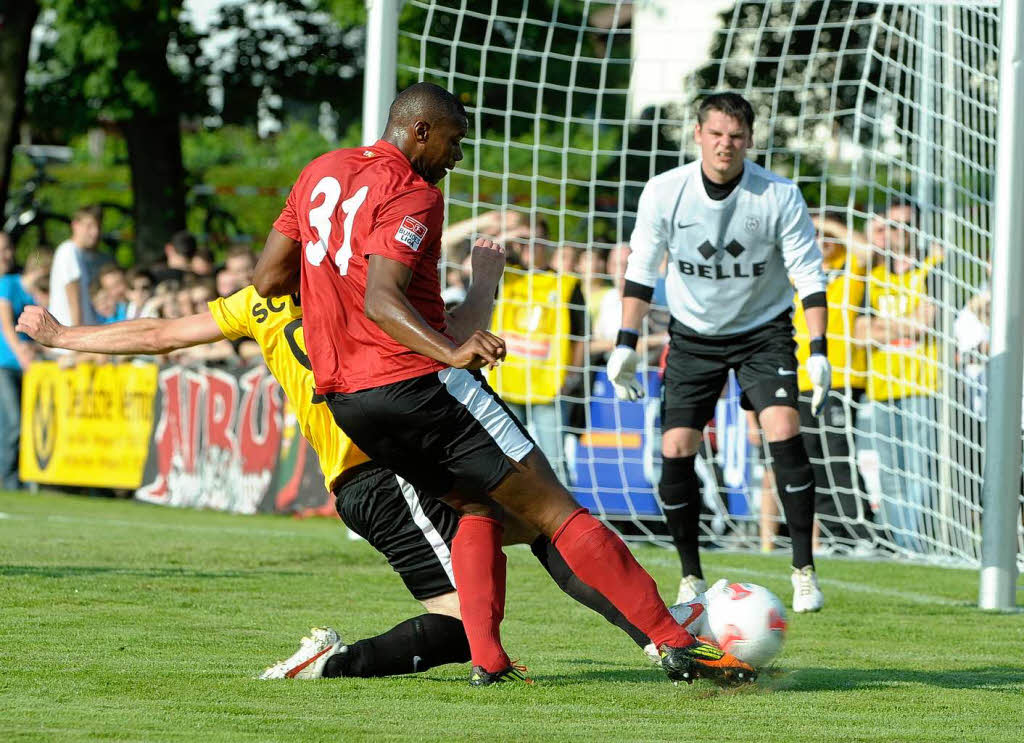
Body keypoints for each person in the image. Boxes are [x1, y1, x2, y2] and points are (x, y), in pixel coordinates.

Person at [253, 81, 753, 686]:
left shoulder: (320, 171)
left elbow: (267, 279)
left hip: (348, 403)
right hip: (417, 383)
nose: (457, 157)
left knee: (472, 507)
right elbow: (385, 301)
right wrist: (451, 349)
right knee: (555, 511)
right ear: (419, 130)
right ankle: (679, 642)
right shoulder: (413, 192)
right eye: (454, 141)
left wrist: (338, 297)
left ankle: (488, 662)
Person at [17, 239, 656, 680]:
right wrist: (486, 279)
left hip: (382, 464)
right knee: (470, 616)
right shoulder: (358, 294)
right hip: (382, 467)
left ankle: (660, 638)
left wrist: (64, 336)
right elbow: (451, 338)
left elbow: (160, 336)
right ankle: (330, 663)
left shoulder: (260, 301)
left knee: (536, 527)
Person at [606, 92, 829, 613]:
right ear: (699, 136)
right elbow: (641, 269)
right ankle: (689, 574)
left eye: (735, 136)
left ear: (749, 140)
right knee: (678, 446)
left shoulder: (778, 195)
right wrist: (625, 344)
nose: (725, 145)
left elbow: (809, 274)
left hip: (762, 329)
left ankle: (803, 569)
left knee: (783, 428)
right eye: (716, 134)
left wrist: (818, 349)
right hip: (693, 334)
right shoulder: (665, 192)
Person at [853, 202, 942, 554]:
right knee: (890, 471)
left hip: (923, 383)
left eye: (906, 224)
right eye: (892, 225)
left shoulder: (934, 267)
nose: (899, 231)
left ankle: (920, 544)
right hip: (882, 384)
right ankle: (900, 544)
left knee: (921, 469)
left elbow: (926, 323)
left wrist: (883, 327)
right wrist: (903, 323)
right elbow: (859, 331)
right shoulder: (874, 276)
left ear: (918, 228)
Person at [792, 213, 877, 554]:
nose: (819, 240)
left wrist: (827, 222)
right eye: (812, 235)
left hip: (840, 377)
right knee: (813, 460)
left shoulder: (849, 266)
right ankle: (836, 534)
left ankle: (864, 535)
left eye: (823, 235)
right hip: (801, 377)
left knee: (838, 457)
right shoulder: (800, 272)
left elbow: (866, 250)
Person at [0, 249, 51, 489]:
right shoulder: (8, 284)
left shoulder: (35, 298)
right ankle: (8, 480)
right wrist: (21, 353)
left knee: (26, 424)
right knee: (12, 423)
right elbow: (7, 324)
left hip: (28, 367)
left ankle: (19, 479)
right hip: (5, 364)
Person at [49, 205, 102, 326]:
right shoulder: (68, 251)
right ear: (75, 225)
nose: (95, 232)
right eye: (89, 226)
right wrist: (76, 334)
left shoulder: (79, 254)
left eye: (98, 226)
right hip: (70, 337)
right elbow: (73, 299)